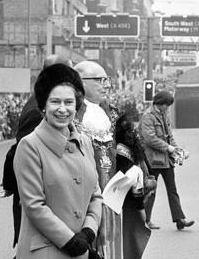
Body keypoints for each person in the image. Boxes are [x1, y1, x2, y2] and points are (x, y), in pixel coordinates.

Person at [13, 63, 102, 259]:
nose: (62, 109)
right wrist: (71, 241)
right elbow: (34, 206)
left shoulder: (85, 143)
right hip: (45, 251)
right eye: (55, 102)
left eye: (69, 102)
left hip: (82, 248)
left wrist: (88, 231)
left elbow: (96, 195)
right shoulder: (30, 146)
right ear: (43, 106)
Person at [0, 54, 73, 253]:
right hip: (42, 206)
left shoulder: (50, 102)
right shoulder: (37, 110)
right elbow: (19, 152)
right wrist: (10, 184)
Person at [73, 60, 121, 259]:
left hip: (113, 194)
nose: (106, 85)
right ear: (81, 82)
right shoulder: (71, 114)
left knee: (111, 244)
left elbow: (122, 147)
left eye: (106, 80)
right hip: (84, 196)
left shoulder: (109, 111)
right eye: (100, 80)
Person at [139, 90, 195, 230]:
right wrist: (169, 148)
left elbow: (169, 135)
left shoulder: (164, 114)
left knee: (172, 189)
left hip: (165, 159)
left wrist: (177, 150)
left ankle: (180, 219)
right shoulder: (148, 116)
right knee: (150, 191)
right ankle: (146, 220)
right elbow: (150, 138)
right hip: (152, 160)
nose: (168, 108)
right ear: (161, 104)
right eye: (167, 105)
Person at [114, 113, 153, 259]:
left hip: (125, 203)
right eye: (131, 131)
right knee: (130, 243)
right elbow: (135, 186)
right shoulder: (123, 152)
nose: (134, 133)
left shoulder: (125, 149)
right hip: (128, 205)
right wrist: (141, 209)